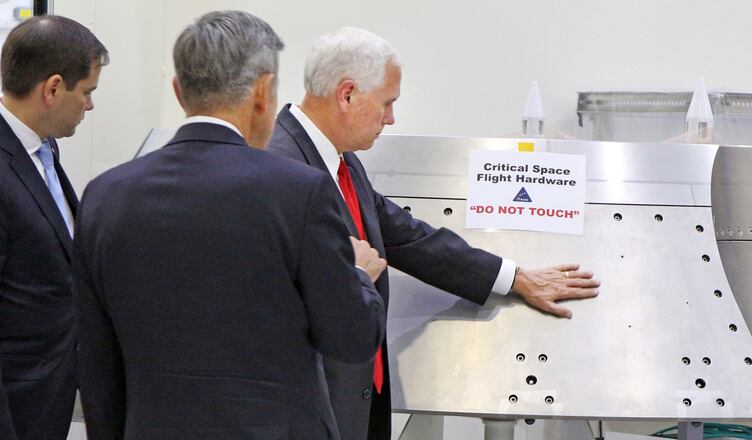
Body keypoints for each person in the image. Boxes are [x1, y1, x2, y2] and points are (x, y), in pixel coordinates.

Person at [267, 27, 601, 440]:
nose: (391, 118)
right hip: (311, 411)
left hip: (358, 398)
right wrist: (349, 274)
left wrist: (513, 277)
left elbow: (408, 237)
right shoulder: (277, 166)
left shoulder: (342, 161)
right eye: (387, 103)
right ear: (347, 94)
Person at [73, 11, 386, 440]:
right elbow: (350, 338)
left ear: (179, 91)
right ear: (263, 93)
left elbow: (97, 362)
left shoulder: (105, 196)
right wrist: (358, 277)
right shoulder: (299, 192)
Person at [0, 15, 107, 440]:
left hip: (51, 400)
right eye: (88, 92)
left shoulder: (43, 151)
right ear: (54, 88)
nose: (90, 105)